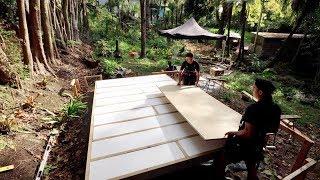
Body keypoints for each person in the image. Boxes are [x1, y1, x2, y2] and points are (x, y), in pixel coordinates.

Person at [215, 78, 281, 180]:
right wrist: (261, 132)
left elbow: (247, 134)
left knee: (220, 155)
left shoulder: (253, 108)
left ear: (260, 92)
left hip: (245, 145)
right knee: (252, 163)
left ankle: (219, 176)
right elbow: (274, 129)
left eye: (254, 87)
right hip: (259, 144)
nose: (252, 89)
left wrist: (233, 132)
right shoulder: (276, 108)